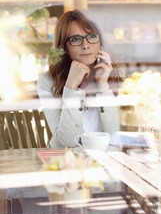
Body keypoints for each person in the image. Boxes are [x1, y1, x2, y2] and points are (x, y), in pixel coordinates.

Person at [37, 9, 121, 148]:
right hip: (67, 164)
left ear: (100, 41)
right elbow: (65, 143)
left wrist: (103, 86)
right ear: (64, 47)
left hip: (108, 163)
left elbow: (116, 140)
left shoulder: (114, 75)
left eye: (92, 36)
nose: (86, 45)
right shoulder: (48, 81)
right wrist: (71, 88)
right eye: (75, 39)